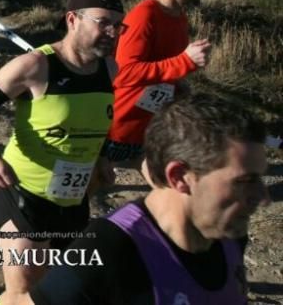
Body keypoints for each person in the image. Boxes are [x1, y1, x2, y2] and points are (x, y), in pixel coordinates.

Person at [0, 0, 125, 301]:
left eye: (118, 25)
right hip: (25, 194)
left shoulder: (110, 69)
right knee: (23, 292)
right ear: (73, 19)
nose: (112, 32)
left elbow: (96, 120)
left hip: (74, 201)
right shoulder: (36, 66)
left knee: (52, 283)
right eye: (103, 22)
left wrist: (102, 157)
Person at [28, 93, 268, 305]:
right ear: (179, 177)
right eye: (244, 181)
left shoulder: (230, 234)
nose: (263, 197)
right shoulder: (109, 250)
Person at [104, 0, 211, 167]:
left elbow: (163, 66)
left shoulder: (180, 17)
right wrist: (185, 61)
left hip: (152, 128)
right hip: (122, 130)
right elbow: (124, 73)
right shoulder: (144, 16)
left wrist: (178, 86)